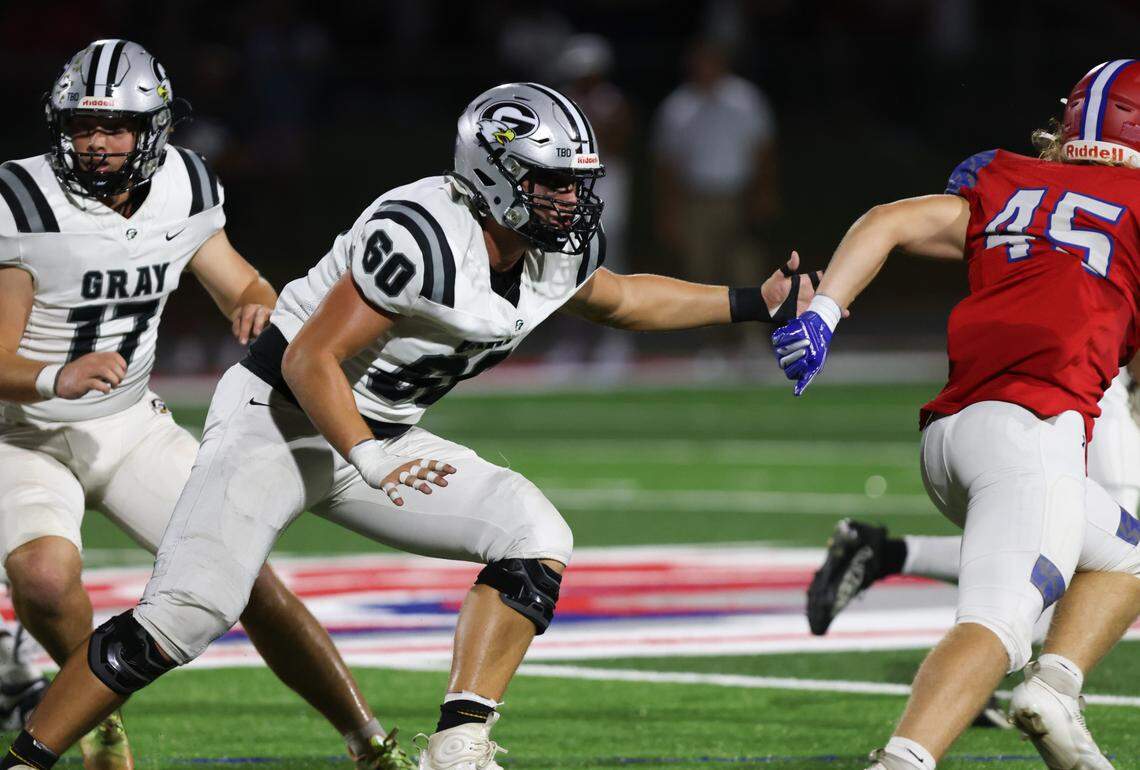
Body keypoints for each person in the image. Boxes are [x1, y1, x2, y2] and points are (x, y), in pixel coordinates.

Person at [0, 81, 819, 770]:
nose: (568, 198)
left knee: (533, 532)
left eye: (575, 181)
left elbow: (620, 299)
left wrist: (754, 302)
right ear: (492, 173)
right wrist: (367, 454)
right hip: (278, 423)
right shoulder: (422, 232)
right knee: (187, 612)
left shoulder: (547, 245)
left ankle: (458, 744)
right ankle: (27, 760)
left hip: (380, 433)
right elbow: (309, 359)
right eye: (548, 180)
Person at [0, 39, 414, 770]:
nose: (95, 143)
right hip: (19, 434)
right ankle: (100, 721)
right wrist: (51, 378)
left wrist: (254, 307)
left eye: (115, 127)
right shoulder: (23, 201)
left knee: (243, 576)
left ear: (153, 128)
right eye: (81, 126)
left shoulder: (184, 185)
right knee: (42, 575)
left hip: (128, 425)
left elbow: (239, 281)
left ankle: (367, 741)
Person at [771, 60, 1140, 770]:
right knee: (997, 628)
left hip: (951, 438)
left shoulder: (1008, 177)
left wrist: (822, 315)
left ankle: (1057, 690)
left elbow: (887, 222)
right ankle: (902, 761)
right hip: (1032, 431)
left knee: (1126, 554)